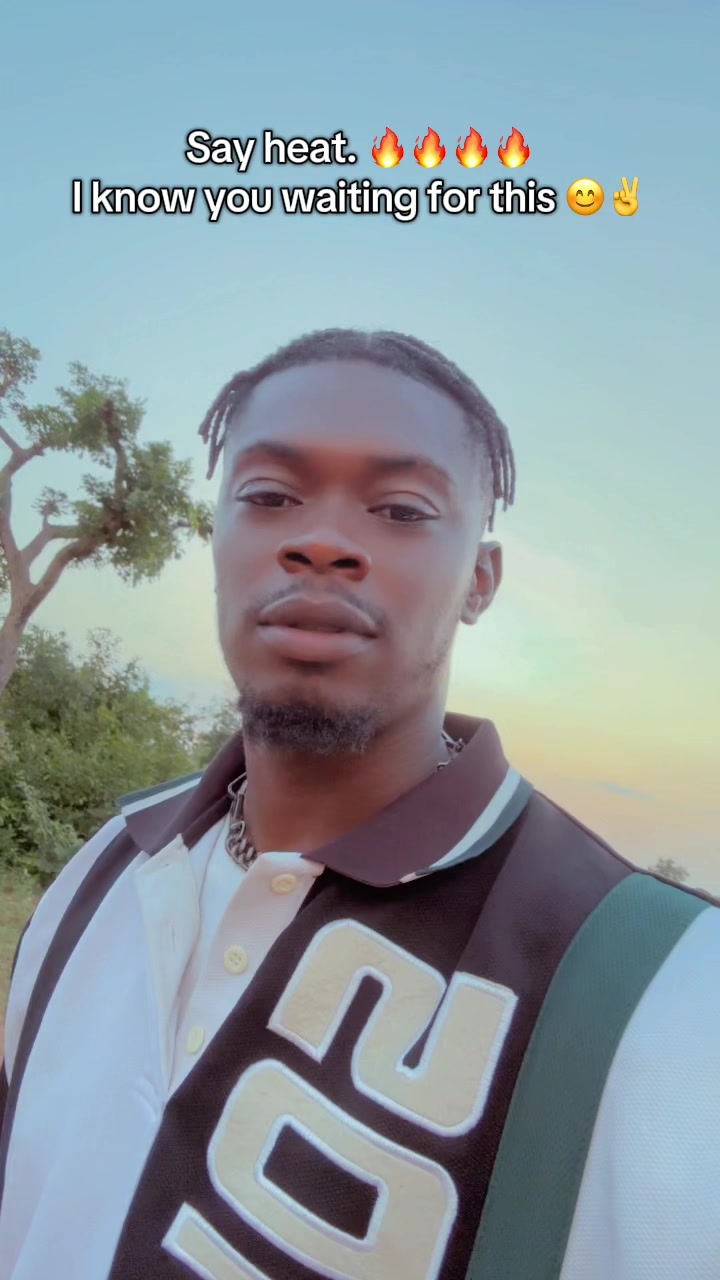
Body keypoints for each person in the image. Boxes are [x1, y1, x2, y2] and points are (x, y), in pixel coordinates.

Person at [1, 328, 718, 1280]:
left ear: (480, 581)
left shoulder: (669, 997)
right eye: (269, 497)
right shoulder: (107, 866)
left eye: (401, 510)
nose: (323, 541)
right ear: (217, 538)